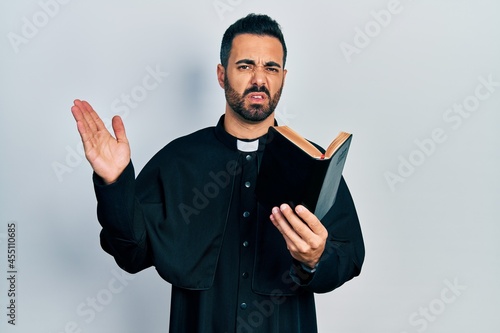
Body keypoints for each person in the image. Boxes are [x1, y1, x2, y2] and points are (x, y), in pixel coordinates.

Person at [71, 13, 364, 333]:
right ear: (222, 75)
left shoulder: (312, 164)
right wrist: (115, 182)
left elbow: (348, 256)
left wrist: (314, 259)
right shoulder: (177, 161)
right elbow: (131, 251)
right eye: (245, 65)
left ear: (283, 77)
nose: (259, 79)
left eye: (271, 68)